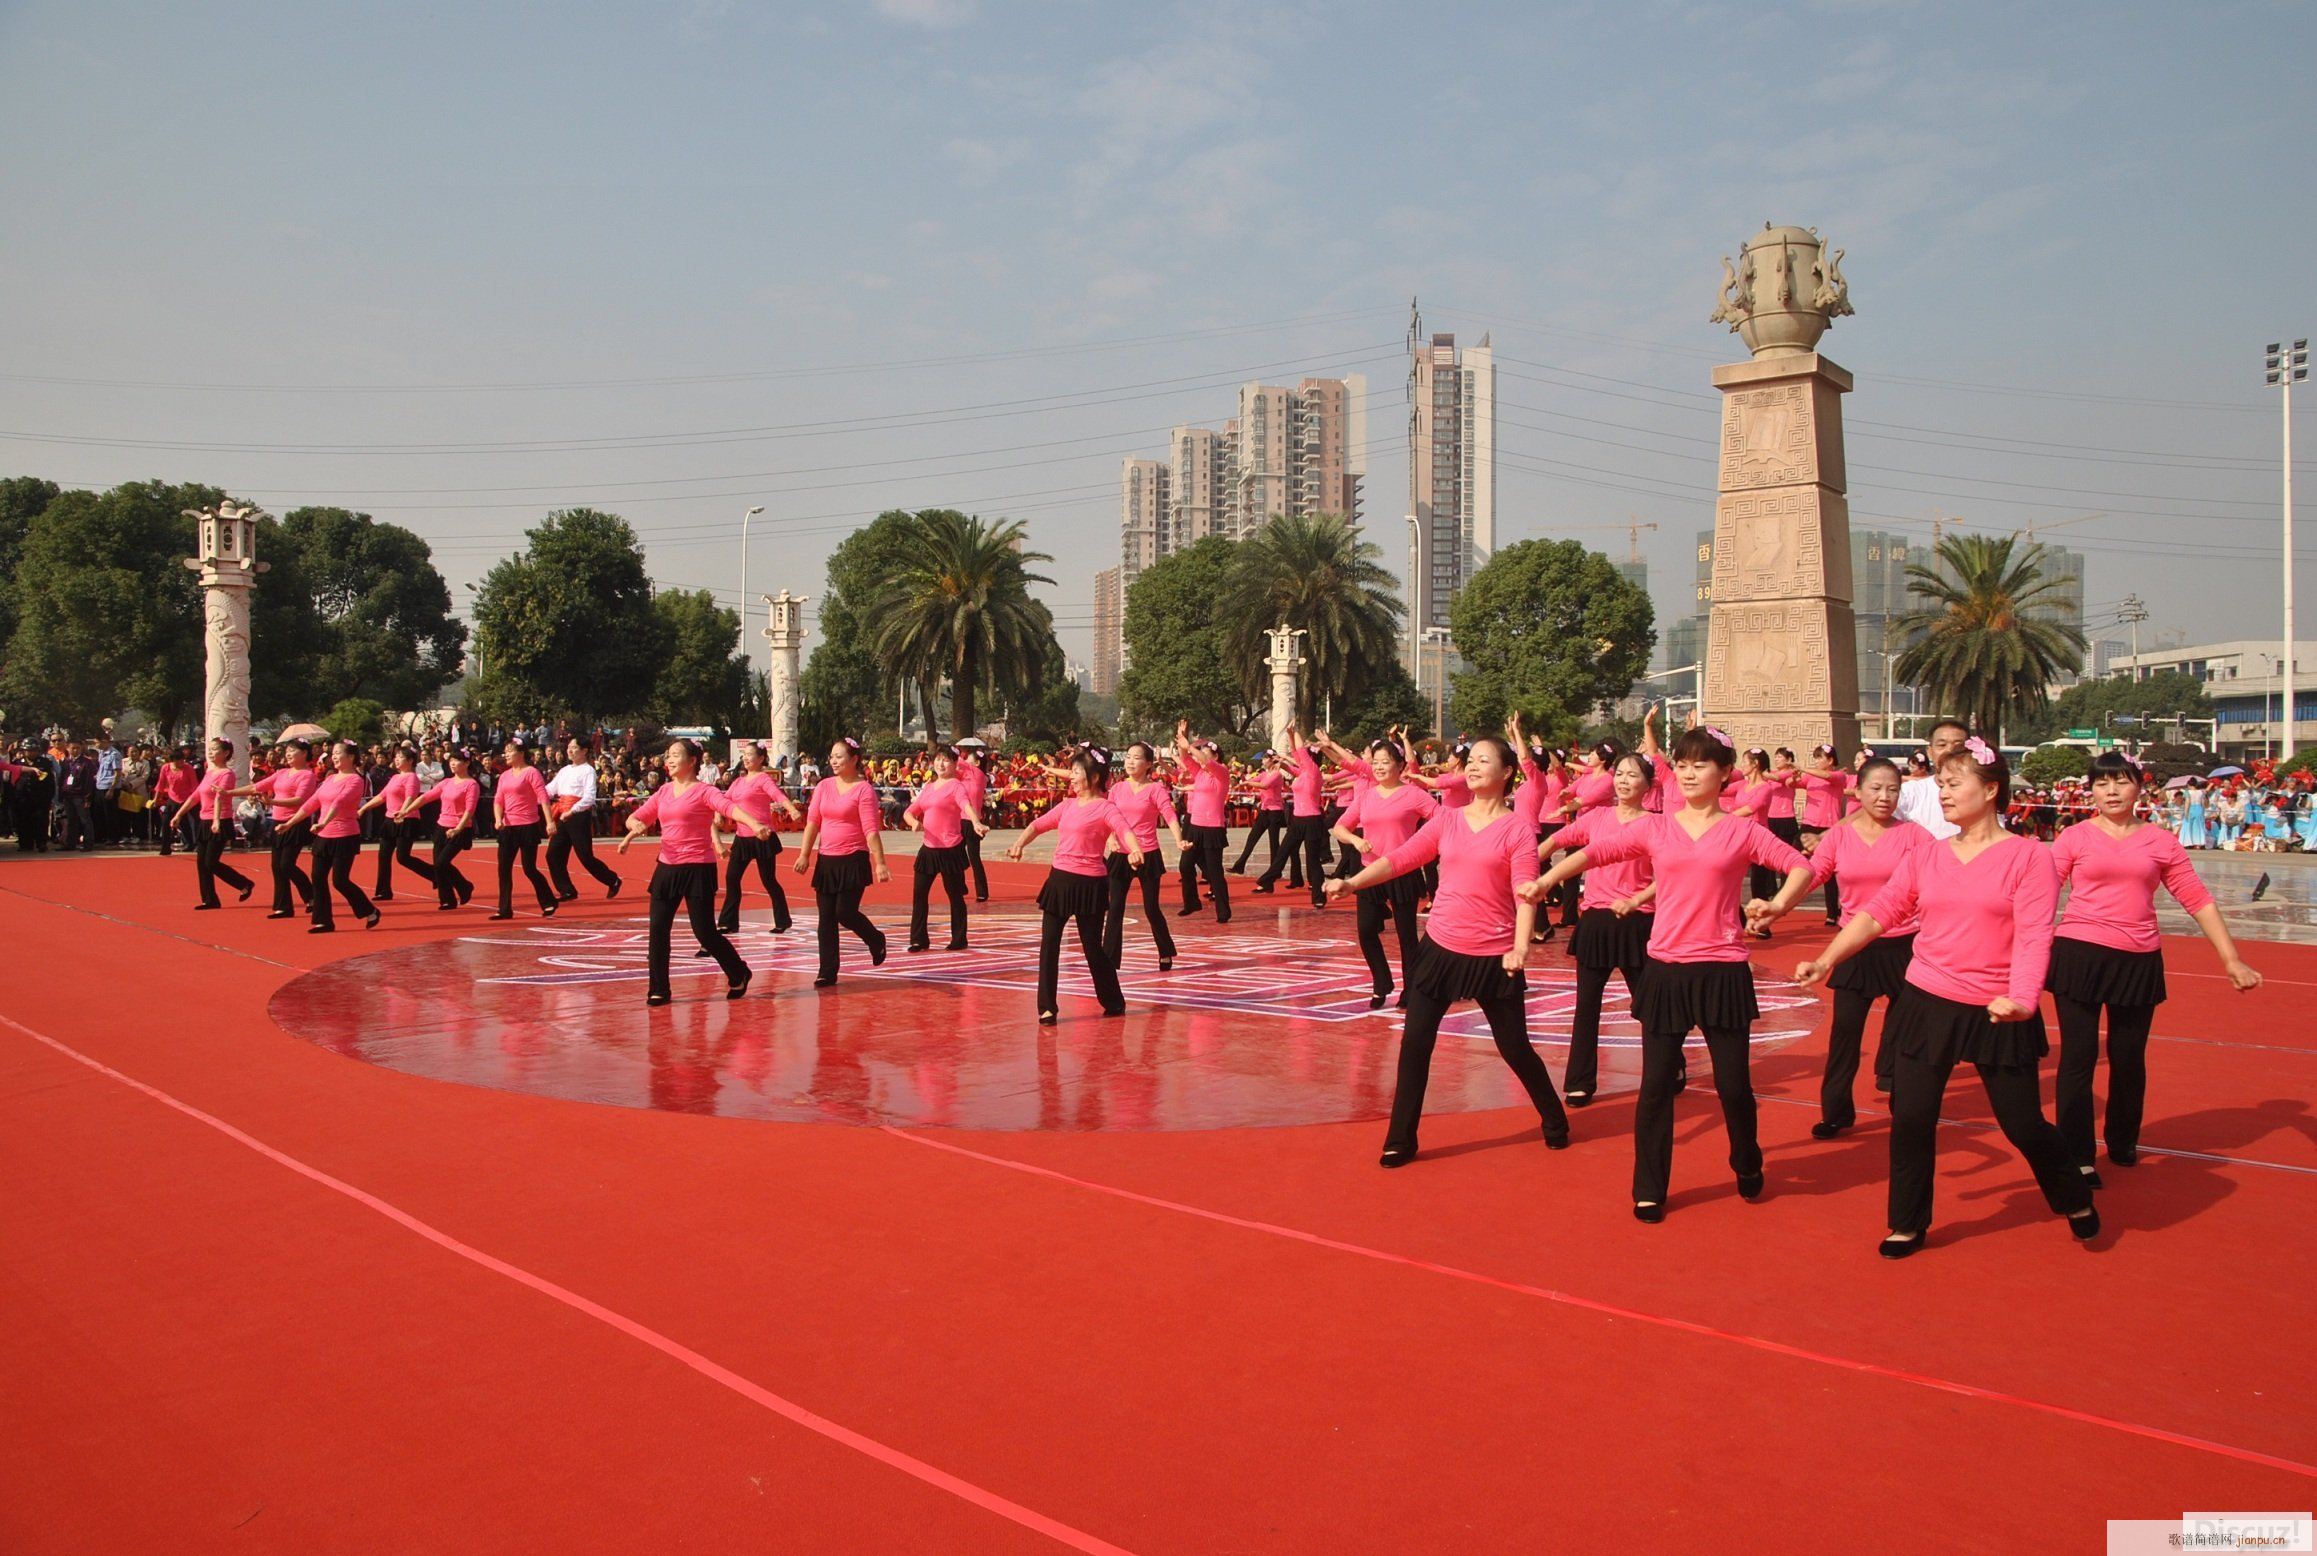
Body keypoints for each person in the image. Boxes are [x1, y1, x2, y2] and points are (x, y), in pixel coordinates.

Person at [1794, 738, 2097, 1258]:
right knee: (1911, 1116)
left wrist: (2023, 1000)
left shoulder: (2028, 857)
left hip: (1999, 1008)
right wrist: (1829, 959)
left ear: (1991, 789)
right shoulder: (1930, 853)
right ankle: (1907, 1223)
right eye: (1941, 783)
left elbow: (2033, 936)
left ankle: (2072, 1194)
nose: (1944, 792)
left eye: (1954, 783)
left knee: (2022, 1124)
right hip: (1926, 998)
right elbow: (1878, 911)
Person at [1526, 725, 1812, 1222]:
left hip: (1722, 971)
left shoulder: (1741, 830)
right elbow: (1597, 852)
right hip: (1665, 969)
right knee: (1655, 1086)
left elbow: (1800, 867)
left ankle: (1746, 1158)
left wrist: (1778, 905)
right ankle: (1650, 1186)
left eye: (1702, 764)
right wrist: (1547, 877)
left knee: (1733, 1086)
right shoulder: (1656, 827)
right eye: (1682, 764)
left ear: (1725, 774)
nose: (1690, 772)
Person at [1326, 736, 1570, 1166]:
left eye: (1483, 761)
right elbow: (1400, 859)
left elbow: (1526, 893)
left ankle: (1553, 1117)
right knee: (1416, 1045)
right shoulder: (1449, 820)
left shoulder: (1517, 830)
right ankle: (1400, 1138)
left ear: (1507, 773)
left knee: (1514, 1048)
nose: (1472, 767)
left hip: (1494, 955)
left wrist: (1519, 948)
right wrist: (1352, 883)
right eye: (1470, 760)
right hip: (1439, 948)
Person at [2048, 752, 2262, 1184]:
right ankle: (2078, 1153)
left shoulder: (2161, 842)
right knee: (2078, 1055)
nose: (2111, 791)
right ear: (2090, 790)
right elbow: (2039, 896)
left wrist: (2231, 958)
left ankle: (2123, 1140)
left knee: (2128, 1057)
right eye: (2102, 783)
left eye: (2121, 782)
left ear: (2138, 788)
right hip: (2079, 954)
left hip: (2138, 958)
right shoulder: (2074, 838)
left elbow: (2197, 898)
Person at [1785, 757, 1927, 1136]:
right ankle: (1836, 1111)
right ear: (1858, 792)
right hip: (1854, 946)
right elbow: (1813, 875)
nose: (1884, 797)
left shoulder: (1915, 836)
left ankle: (1903, 1103)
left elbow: (1940, 879)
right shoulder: (1841, 836)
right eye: (1876, 788)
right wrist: (1778, 905)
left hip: (1904, 946)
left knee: (1905, 1033)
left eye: (1893, 789)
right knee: (1845, 1032)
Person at [1542, 750, 1659, 1108]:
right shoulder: (1597, 818)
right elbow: (1557, 842)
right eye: (1620, 774)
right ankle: (1580, 1081)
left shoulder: (1658, 823)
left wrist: (1639, 899)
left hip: (1638, 920)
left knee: (1648, 1004)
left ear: (1648, 785)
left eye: (1633, 775)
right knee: (1586, 1005)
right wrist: (1528, 867)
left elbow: (1672, 873)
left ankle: (1670, 1066)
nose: (1624, 781)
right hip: (1595, 920)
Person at [618, 738, 772, 1006]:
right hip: (667, 866)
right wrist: (635, 825)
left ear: (692, 762)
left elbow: (730, 808)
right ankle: (659, 989)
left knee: (704, 932)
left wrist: (755, 824)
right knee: (658, 929)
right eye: (668, 755)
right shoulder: (664, 791)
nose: (669, 759)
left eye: (676, 755)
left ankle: (738, 971)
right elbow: (637, 816)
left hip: (698, 867)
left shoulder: (704, 791)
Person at [1007, 746, 1140, 1025]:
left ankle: (1113, 1000)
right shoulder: (1067, 806)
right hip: (1059, 881)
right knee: (1049, 944)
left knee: (1092, 947)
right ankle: (1047, 1008)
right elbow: (1038, 825)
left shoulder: (1105, 807)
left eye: (1077, 773)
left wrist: (1135, 851)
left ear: (1093, 778)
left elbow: (1124, 829)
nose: (1072, 778)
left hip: (1090, 884)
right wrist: (1019, 843)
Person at [1329, 737, 1436, 1010]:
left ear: (1400, 765)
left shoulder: (1413, 794)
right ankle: (1381, 983)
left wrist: (1420, 845)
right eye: (1375, 762)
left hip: (1403, 871)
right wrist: (1356, 841)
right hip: (1369, 871)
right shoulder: (1366, 796)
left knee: (1406, 935)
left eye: (1385, 762)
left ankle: (1411, 991)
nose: (1378, 767)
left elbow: (1440, 819)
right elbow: (1340, 827)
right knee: (1366, 930)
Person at [792, 737, 890, 987]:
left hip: (853, 858)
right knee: (826, 918)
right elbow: (813, 822)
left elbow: (870, 829)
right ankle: (827, 970)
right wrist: (805, 854)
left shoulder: (863, 790)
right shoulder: (824, 786)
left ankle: (875, 939)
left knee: (844, 912)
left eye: (839, 757)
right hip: (827, 860)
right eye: (832, 756)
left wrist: (879, 862)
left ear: (854, 759)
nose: (834, 761)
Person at [282, 741, 383, 934]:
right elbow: (312, 802)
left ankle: (369, 910)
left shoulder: (355, 780)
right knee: (318, 878)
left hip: (344, 834)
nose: (334, 756)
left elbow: (340, 802)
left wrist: (324, 821)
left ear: (351, 757)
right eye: (333, 754)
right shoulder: (330, 779)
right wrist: (290, 823)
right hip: (324, 835)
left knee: (340, 880)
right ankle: (323, 921)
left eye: (338, 753)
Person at [1102, 742, 1184, 973]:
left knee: (1151, 908)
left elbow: (1169, 815)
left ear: (1148, 764)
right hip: (1120, 854)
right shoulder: (1118, 788)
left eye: (1136, 758)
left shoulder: (1156, 789)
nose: (1130, 761)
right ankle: (1109, 959)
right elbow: (1107, 815)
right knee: (1115, 907)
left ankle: (1165, 950)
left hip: (1147, 853)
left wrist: (1179, 840)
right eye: (1128, 756)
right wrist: (1110, 838)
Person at [902, 746, 984, 953]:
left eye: (946, 760)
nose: (940, 764)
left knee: (954, 895)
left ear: (955, 764)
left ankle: (959, 938)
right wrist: (913, 822)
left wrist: (976, 822)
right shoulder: (929, 787)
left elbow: (966, 806)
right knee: (919, 894)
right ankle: (919, 939)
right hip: (928, 848)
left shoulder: (957, 786)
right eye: (938, 759)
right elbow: (910, 811)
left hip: (950, 849)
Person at [718, 742, 803, 935]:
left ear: (761, 758)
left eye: (750, 755)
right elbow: (724, 800)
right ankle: (729, 922)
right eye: (744, 755)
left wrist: (791, 809)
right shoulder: (738, 781)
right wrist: (717, 812)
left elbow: (777, 795)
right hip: (742, 838)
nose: (746, 758)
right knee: (732, 878)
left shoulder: (763, 779)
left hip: (762, 836)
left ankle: (782, 920)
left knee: (768, 880)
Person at [169, 738, 254, 910]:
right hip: (204, 820)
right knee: (201, 863)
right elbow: (196, 796)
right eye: (211, 748)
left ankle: (244, 883)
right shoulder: (209, 772)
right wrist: (179, 814)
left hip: (220, 820)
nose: (211, 752)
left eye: (215, 749)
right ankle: (209, 899)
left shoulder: (227, 774)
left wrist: (216, 820)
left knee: (211, 862)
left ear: (226, 753)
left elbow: (220, 797)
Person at [239, 740, 318, 919]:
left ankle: (311, 895)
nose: (288, 754)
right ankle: (283, 907)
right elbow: (256, 787)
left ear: (304, 753)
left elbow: (300, 799)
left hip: (295, 823)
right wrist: (228, 793)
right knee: (276, 866)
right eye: (287, 751)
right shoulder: (281, 772)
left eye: (293, 751)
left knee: (286, 865)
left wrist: (272, 802)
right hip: (277, 822)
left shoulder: (308, 775)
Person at [1254, 720, 1330, 907]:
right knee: (1283, 851)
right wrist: (1289, 736)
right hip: (1297, 819)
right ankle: (1269, 878)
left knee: (1312, 860)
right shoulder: (1304, 773)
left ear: (1311, 760)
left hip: (1312, 820)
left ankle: (1319, 898)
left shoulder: (1313, 772)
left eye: (1304, 757)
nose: (1300, 758)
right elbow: (1296, 757)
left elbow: (1300, 753)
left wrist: (1294, 731)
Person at [398, 748, 480, 909]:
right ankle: (447, 899)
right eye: (451, 761)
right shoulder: (447, 782)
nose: (453, 764)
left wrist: (458, 828)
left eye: (457, 761)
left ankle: (464, 886)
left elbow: (470, 810)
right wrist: (405, 810)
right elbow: (425, 797)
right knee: (438, 865)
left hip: (459, 828)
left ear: (467, 763)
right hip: (442, 826)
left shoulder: (471, 784)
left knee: (442, 863)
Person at [545, 737, 623, 902]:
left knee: (585, 856)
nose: (570, 750)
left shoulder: (588, 770)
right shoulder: (565, 770)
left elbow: (589, 797)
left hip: (577, 816)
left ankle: (612, 880)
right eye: (569, 747)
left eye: (574, 747)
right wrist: (534, 790)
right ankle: (567, 890)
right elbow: (551, 789)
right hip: (562, 813)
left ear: (584, 751)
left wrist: (573, 811)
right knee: (553, 854)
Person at [1171, 720, 1232, 923]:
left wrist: (1189, 745)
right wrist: (1182, 740)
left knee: (1215, 872)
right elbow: (1186, 759)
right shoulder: (1200, 774)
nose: (1202, 754)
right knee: (1185, 865)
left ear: (1215, 756)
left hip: (1213, 827)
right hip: (1195, 826)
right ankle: (1191, 902)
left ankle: (1223, 911)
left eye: (1206, 751)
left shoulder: (1222, 773)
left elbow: (1203, 761)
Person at [361, 745, 440, 902]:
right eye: (395, 757)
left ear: (410, 761)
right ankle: (383, 891)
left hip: (407, 819)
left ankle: (436, 875)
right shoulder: (395, 778)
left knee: (403, 857)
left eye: (400, 757)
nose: (396, 760)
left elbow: (411, 797)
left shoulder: (411, 777)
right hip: (390, 819)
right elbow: (381, 796)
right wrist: (363, 808)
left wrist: (403, 812)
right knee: (383, 856)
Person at [490, 740, 558, 921]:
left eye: (510, 751)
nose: (506, 755)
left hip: (528, 825)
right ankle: (504, 909)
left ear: (521, 753)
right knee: (503, 869)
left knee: (529, 868)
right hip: (508, 827)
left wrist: (550, 822)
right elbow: (498, 800)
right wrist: (498, 819)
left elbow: (543, 797)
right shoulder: (504, 776)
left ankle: (548, 900)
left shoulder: (532, 772)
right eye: (505, 751)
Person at [1894, 719, 1969, 839]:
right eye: (1942, 745)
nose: (1949, 751)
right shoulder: (1909, 792)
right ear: (1930, 752)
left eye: (1958, 746)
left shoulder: (1978, 794)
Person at [1230, 752, 1289, 875]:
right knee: (1252, 837)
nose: (1263, 760)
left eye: (1266, 758)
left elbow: (1264, 785)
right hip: (1264, 809)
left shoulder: (1277, 775)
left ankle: (1275, 870)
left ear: (1272, 760)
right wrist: (1240, 783)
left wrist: (1247, 783)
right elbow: (1253, 780)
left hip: (1275, 811)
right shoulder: (1263, 774)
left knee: (1273, 841)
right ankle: (1240, 865)